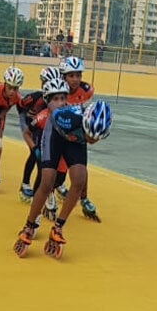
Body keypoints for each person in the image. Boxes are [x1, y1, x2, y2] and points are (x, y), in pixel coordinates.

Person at [13, 84, 111, 259]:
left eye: (95, 138)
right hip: (55, 133)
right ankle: (29, 226)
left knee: (79, 180)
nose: (91, 140)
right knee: (47, 181)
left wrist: (84, 198)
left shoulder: (95, 128)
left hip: (75, 139)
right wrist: (36, 149)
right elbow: (47, 117)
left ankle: (58, 227)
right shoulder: (65, 117)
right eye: (90, 135)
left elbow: (83, 170)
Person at [53, 57, 100, 220]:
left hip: (77, 135)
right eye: (71, 75)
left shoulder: (86, 90)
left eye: (78, 75)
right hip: (59, 134)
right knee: (57, 172)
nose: (75, 79)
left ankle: (84, 198)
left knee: (82, 169)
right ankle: (52, 190)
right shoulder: (58, 91)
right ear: (63, 76)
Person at [16, 67, 56, 202]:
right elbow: (20, 105)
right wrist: (26, 118)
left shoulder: (54, 99)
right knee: (35, 153)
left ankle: (40, 188)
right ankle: (25, 183)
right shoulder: (34, 97)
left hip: (40, 125)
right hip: (29, 123)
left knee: (42, 157)